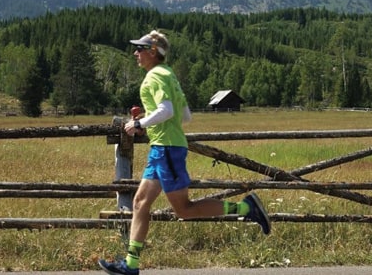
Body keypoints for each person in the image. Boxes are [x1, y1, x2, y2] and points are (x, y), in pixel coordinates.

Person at [99, 30, 270, 275]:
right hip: (163, 148)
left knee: (184, 209)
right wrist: (149, 121)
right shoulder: (169, 75)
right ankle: (131, 264)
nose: (135, 53)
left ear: (152, 52)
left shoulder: (154, 76)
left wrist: (139, 124)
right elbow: (185, 115)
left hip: (166, 149)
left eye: (139, 48)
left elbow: (167, 110)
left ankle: (246, 208)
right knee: (140, 202)